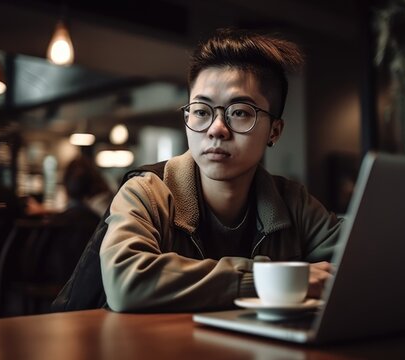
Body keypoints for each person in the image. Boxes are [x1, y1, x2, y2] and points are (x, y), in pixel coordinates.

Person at [100, 28, 343, 312]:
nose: (217, 129)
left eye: (239, 112)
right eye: (202, 111)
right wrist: (266, 280)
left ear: (274, 131)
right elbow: (126, 281)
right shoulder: (146, 193)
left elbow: (360, 268)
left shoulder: (293, 204)